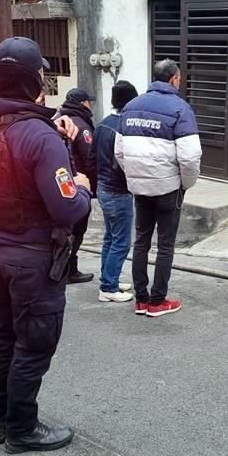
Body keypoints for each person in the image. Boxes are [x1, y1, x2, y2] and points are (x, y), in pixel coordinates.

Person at [0, 36, 92, 454]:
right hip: (33, 261)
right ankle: (23, 428)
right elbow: (67, 209)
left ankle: (0, 421)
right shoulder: (40, 138)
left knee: (0, 337)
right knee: (34, 343)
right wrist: (82, 188)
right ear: (38, 77)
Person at [115, 59, 202, 318]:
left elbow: (119, 151)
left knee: (141, 241)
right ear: (174, 78)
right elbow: (190, 157)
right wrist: (186, 184)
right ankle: (157, 301)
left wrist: (134, 175)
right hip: (168, 187)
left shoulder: (131, 107)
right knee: (165, 245)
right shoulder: (181, 108)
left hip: (140, 188)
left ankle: (141, 300)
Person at [93, 80, 138, 303]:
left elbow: (92, 158)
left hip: (103, 188)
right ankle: (108, 287)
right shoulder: (124, 128)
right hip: (118, 191)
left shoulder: (102, 124)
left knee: (110, 238)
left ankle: (109, 278)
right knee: (121, 241)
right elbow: (125, 162)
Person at [56, 87, 98, 284]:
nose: (91, 105)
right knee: (77, 231)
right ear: (83, 103)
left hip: (61, 183)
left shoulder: (59, 119)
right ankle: (68, 268)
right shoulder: (82, 125)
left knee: (66, 229)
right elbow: (90, 158)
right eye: (89, 101)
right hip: (79, 183)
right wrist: (93, 186)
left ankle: (64, 267)